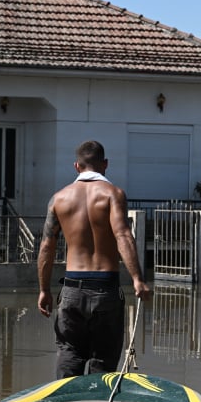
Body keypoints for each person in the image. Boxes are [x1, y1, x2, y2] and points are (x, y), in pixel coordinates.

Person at [37, 140, 151, 379]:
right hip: (105, 290)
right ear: (105, 164)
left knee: (70, 354)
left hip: (71, 291)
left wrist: (44, 290)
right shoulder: (113, 194)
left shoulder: (59, 199)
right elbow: (122, 234)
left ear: (77, 166)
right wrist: (137, 279)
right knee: (103, 361)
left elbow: (47, 246)